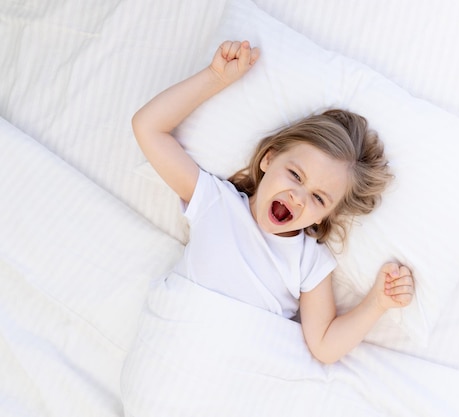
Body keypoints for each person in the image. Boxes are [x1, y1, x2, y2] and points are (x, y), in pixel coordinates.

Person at [132, 40, 414, 364]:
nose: (298, 196)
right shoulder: (216, 202)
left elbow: (323, 345)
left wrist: (377, 302)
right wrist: (215, 77)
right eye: (295, 175)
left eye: (319, 198)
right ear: (268, 159)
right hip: (175, 338)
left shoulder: (309, 261)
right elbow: (148, 127)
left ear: (325, 216)